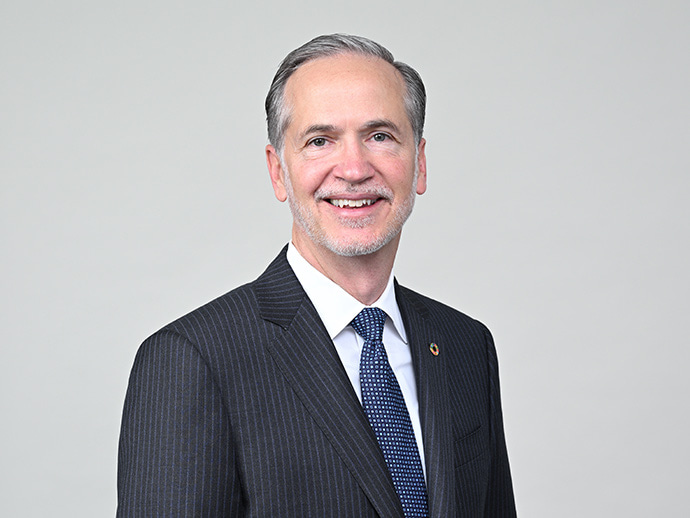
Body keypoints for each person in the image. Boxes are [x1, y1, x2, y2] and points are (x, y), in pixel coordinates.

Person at [117, 34, 516, 517]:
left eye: (380, 136)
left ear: (420, 163)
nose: (354, 169)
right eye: (320, 141)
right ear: (278, 172)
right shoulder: (192, 360)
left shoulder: (466, 345)